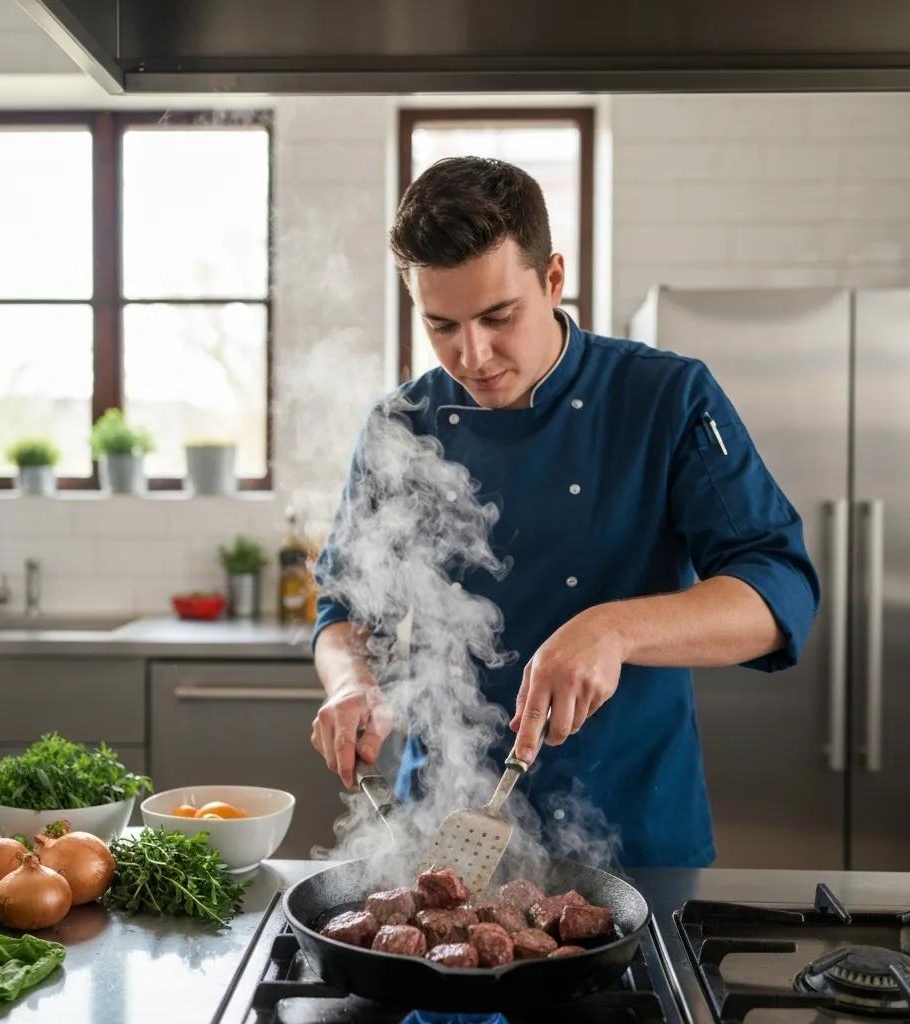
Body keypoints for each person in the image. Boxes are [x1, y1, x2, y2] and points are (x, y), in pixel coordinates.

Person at [310, 156, 819, 867]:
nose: (473, 354)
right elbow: (343, 609)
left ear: (553, 280)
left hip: (635, 832)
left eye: (498, 316)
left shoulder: (665, 397)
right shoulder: (403, 424)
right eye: (442, 325)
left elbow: (780, 591)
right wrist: (351, 682)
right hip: (446, 827)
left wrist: (613, 629)